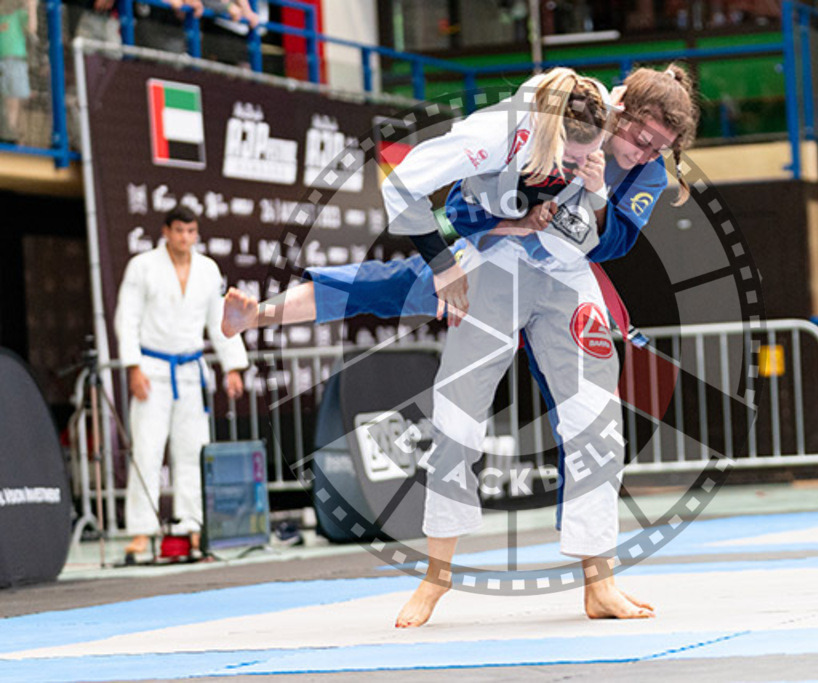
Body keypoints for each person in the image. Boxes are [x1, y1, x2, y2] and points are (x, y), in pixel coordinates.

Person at [222, 65, 698, 625]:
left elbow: (613, 244)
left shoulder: (639, 167)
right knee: (456, 414)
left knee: (597, 424)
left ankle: (600, 583)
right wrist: (453, 258)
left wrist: (594, 194)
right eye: (642, 140)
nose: (645, 155)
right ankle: (435, 577)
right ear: (619, 113)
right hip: (494, 264)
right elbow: (420, 192)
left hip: (568, 280)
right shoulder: (504, 127)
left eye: (660, 149)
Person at [115, 206, 248, 562]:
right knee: (147, 450)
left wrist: (232, 365)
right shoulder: (142, 267)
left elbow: (220, 317)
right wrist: (132, 367)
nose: (185, 238)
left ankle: (192, 526)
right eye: (178, 231)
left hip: (190, 371)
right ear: (165, 232)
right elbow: (126, 318)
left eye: (191, 231)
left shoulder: (207, 269)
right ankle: (141, 531)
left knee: (193, 453)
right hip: (152, 368)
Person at [0, 0, 35, 144]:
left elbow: (32, 28)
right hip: (2, 62)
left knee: (13, 100)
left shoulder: (17, 15)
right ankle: (6, 130)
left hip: (15, 61)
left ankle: (11, 132)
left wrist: (31, 7)